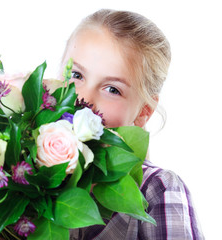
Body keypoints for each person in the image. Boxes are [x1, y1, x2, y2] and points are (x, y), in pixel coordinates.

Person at [60, 9, 204, 239]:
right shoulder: (22, 168)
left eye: (112, 89)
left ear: (143, 112)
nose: (84, 100)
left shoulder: (158, 189)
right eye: (77, 75)